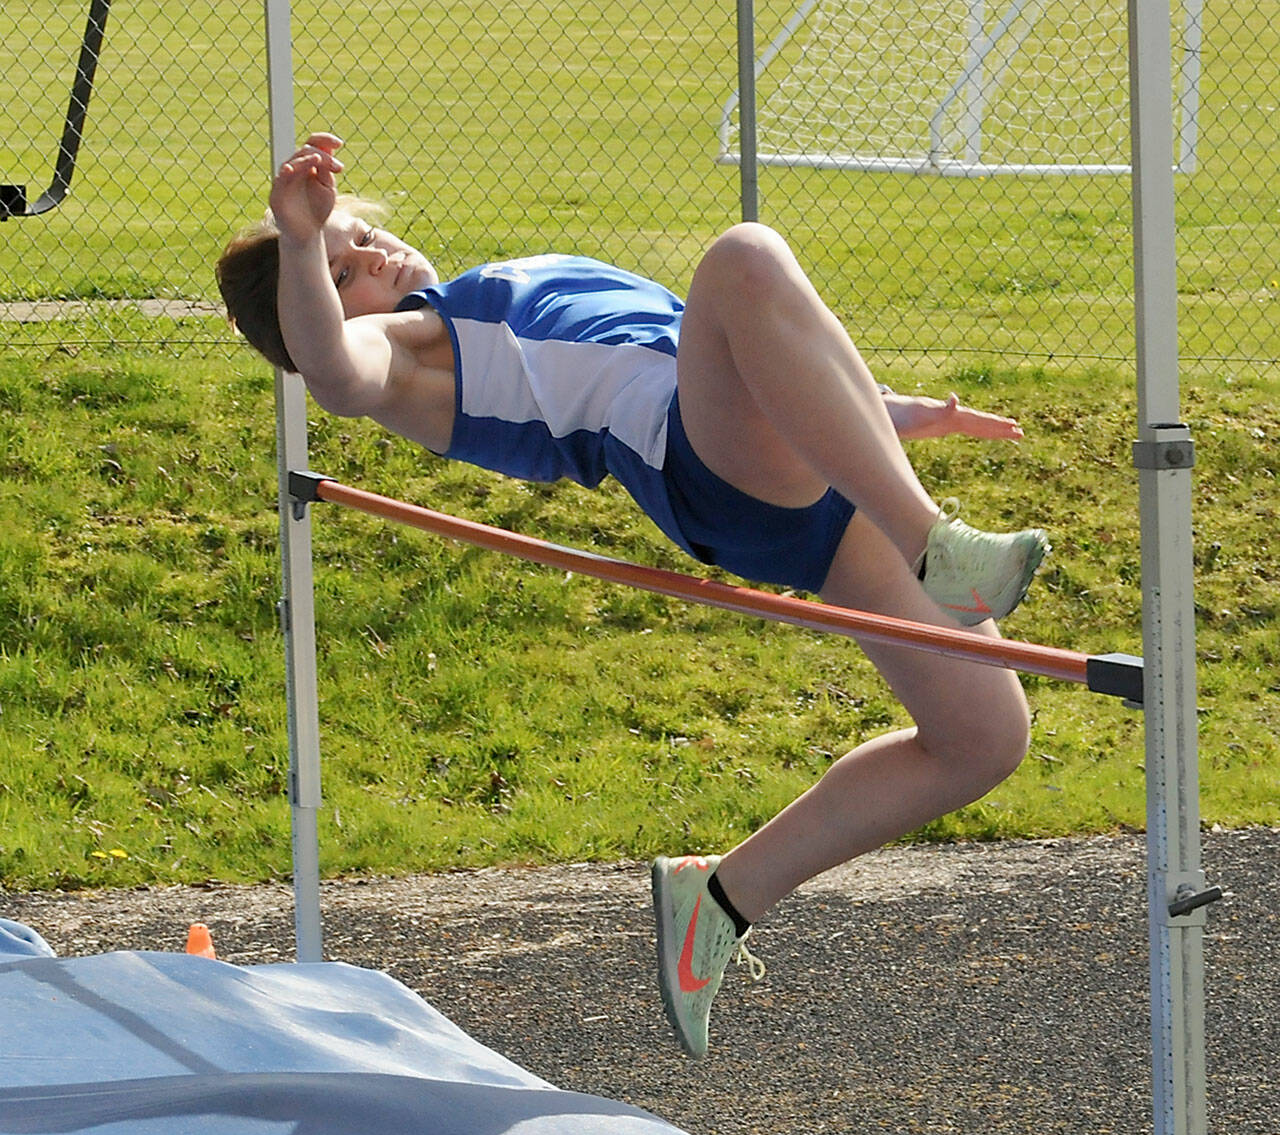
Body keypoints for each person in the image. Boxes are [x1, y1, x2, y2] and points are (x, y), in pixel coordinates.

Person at [218, 133, 1049, 1061]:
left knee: (982, 737)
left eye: (359, 233)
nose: (370, 250)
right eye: (345, 269)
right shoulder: (405, 355)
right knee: (745, 258)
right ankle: (936, 542)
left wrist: (890, 413)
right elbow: (333, 372)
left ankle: (723, 897)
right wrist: (299, 245)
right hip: (713, 476)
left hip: (795, 474)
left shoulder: (479, 296)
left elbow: (706, 355)